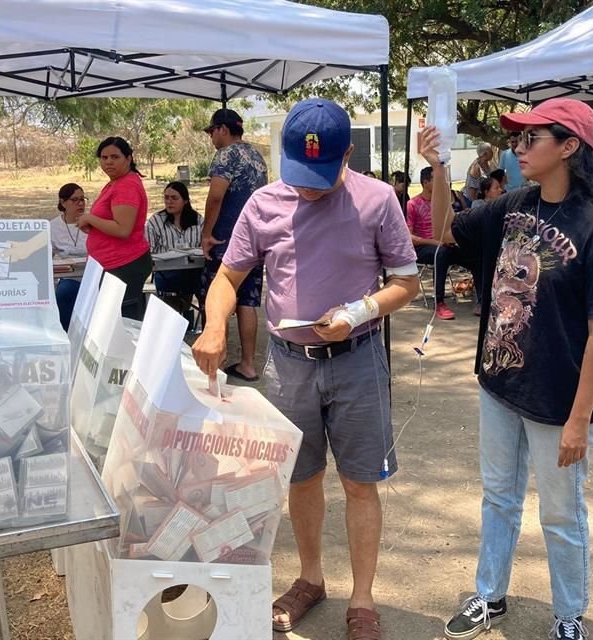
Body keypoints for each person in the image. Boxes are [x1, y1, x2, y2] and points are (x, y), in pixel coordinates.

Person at [192, 98, 418, 640]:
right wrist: (214, 325)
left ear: (346, 156)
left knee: (361, 483)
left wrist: (359, 311)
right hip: (290, 366)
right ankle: (310, 578)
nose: (308, 189)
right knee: (301, 476)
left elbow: (406, 283)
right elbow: (227, 278)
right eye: (299, 175)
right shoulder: (265, 203)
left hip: (357, 361)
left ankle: (362, 599)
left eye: (320, 177)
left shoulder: (378, 200)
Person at [422, 98, 593, 640]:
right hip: (498, 383)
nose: (518, 147)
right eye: (517, 138)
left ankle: (568, 615)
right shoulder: (513, 205)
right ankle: (489, 595)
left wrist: (582, 418)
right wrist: (439, 168)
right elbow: (445, 230)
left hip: (558, 399)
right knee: (499, 498)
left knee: (561, 514)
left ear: (569, 147)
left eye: (531, 137)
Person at [200, 108, 268, 382]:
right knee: (248, 300)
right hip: (256, 238)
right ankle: (248, 364)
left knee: (218, 295)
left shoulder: (226, 155)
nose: (211, 138)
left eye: (212, 131)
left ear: (223, 130)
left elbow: (216, 197)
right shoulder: (256, 156)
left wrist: (206, 233)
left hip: (226, 239)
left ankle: (217, 361)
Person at [78, 136, 152, 321]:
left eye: (115, 157)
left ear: (128, 158)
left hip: (123, 265)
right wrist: (95, 227)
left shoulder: (126, 185)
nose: (108, 162)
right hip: (111, 263)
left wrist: (90, 219)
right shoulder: (116, 183)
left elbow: (123, 229)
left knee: (121, 325)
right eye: (104, 157)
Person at [407, 166, 475, 321]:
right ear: (425, 182)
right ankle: (439, 302)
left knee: (473, 253)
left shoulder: (443, 203)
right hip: (423, 248)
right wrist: (435, 242)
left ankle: (482, 297)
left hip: (444, 245)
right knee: (441, 253)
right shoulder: (413, 204)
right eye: (437, 180)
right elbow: (409, 237)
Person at [146, 181, 204, 315]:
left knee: (207, 293)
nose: (169, 202)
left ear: (185, 200)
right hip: (166, 274)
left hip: (193, 273)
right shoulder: (155, 221)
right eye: (166, 198)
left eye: (174, 198)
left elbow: (203, 248)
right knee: (171, 300)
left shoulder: (198, 220)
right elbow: (150, 252)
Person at [50, 183, 89, 330]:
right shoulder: (53, 227)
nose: (80, 204)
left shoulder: (92, 221)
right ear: (63, 202)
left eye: (83, 199)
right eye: (75, 200)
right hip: (69, 277)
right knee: (65, 292)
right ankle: (65, 334)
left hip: (92, 276)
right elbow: (46, 259)